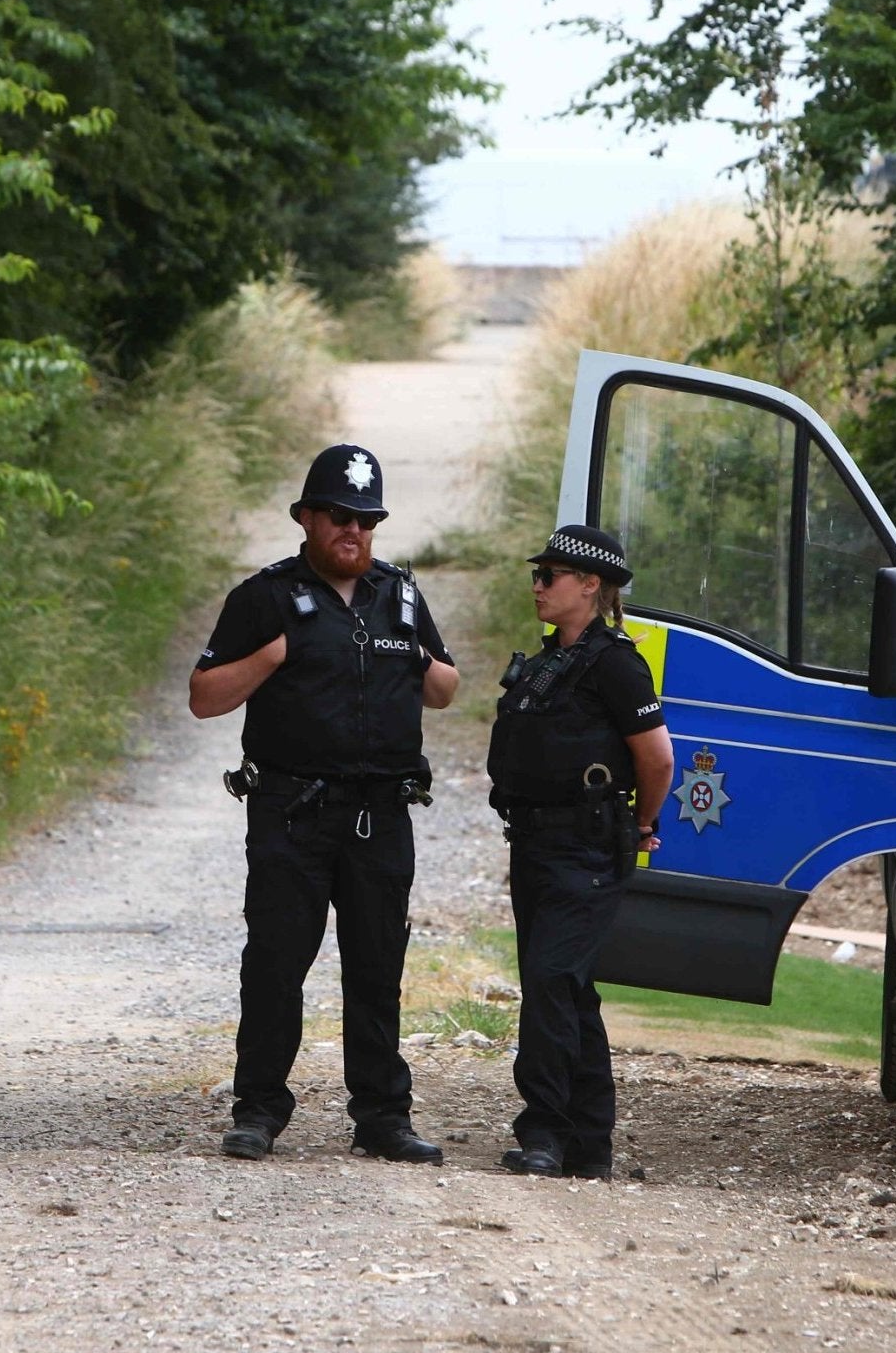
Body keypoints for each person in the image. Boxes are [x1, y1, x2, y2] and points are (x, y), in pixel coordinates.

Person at [189, 443, 459, 1164]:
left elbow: (445, 685)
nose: (354, 531)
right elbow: (203, 695)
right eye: (340, 516)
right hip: (293, 811)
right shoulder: (266, 597)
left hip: (381, 813)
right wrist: (271, 657)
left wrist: (415, 660)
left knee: (377, 966)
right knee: (277, 962)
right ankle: (259, 1108)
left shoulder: (399, 595)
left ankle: (381, 1115)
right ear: (307, 518)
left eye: (367, 520)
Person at [486, 524, 674, 1179]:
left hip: (587, 846)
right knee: (568, 989)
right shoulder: (546, 664)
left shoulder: (617, 664)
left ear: (590, 585)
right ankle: (590, 1142)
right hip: (533, 842)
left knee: (550, 980)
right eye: (536, 575)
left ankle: (544, 1130)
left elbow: (657, 756)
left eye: (551, 575)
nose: (538, 585)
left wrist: (641, 820)